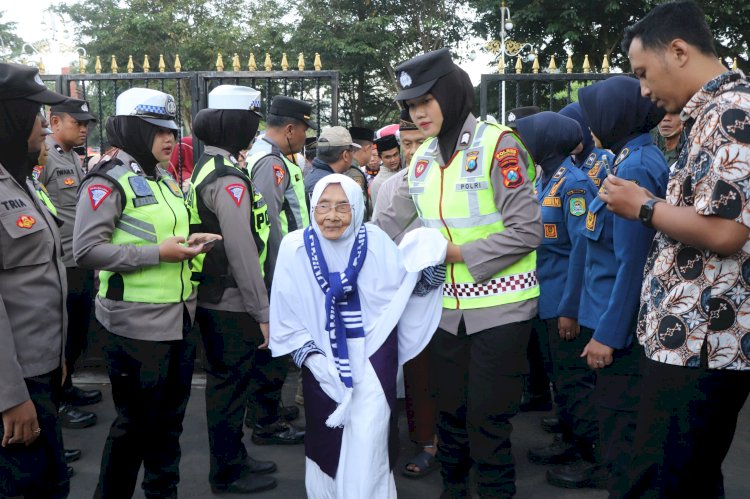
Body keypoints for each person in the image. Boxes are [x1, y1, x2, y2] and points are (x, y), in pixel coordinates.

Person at [376, 48, 542, 498]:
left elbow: (527, 231)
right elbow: (387, 223)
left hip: (502, 310)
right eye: (411, 105)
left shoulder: (498, 144)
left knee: (487, 423)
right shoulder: (424, 159)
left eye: (425, 100)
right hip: (444, 311)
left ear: (450, 93)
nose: (418, 113)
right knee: (449, 416)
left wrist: (454, 253)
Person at [601, 2, 750, 497]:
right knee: (690, 478)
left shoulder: (732, 112)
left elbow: (726, 231)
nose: (643, 90)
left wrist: (642, 206)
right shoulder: (709, 113)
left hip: (702, 341)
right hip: (687, 337)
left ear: (679, 51)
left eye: (643, 73)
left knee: (664, 480)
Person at [73, 87, 218, 498]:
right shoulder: (107, 181)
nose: (169, 138)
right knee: (133, 427)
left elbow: (164, 231)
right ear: (134, 130)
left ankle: (162, 492)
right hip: (133, 327)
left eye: (171, 130)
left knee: (170, 423)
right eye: (157, 130)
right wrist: (159, 253)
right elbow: (86, 250)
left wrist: (192, 239)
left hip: (178, 321)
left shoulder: (162, 177)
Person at [270, 173, 445, 498]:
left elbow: (404, 290)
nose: (331, 216)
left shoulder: (375, 240)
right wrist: (313, 359)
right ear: (312, 206)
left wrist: (431, 259)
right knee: (326, 439)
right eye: (323, 206)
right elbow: (286, 312)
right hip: (320, 359)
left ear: (357, 208)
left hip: (373, 355)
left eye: (342, 207)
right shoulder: (294, 247)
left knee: (370, 440)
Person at [546, 76, 668, 494]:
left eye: (596, 113)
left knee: (622, 429)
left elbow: (633, 264)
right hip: (608, 316)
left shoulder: (635, 166)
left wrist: (608, 336)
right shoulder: (626, 158)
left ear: (616, 115)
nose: (589, 124)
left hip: (619, 330)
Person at [187, 85, 278, 494]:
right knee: (228, 390)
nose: (256, 130)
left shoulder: (210, 166)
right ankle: (226, 472)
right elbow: (242, 250)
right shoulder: (227, 179)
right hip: (230, 301)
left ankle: (235, 457)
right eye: (252, 122)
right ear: (237, 124)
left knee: (231, 387)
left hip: (218, 295)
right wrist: (263, 312)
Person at [0, 62, 70, 499]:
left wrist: (57, 357)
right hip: (14, 384)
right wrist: (9, 396)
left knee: (51, 484)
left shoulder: (19, 181)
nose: (46, 127)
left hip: (39, 371)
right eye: (37, 114)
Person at [514, 112, 600, 469]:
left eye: (527, 137)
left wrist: (571, 308)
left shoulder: (574, 184)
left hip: (565, 298)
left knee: (575, 381)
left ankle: (591, 456)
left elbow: (583, 249)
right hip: (546, 296)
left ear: (545, 141)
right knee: (559, 378)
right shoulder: (547, 179)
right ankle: (569, 436)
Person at [245, 95, 314, 445]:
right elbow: (269, 223)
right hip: (276, 269)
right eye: (303, 130)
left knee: (273, 346)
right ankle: (265, 420)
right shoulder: (270, 162)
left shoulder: (269, 156)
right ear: (290, 129)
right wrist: (278, 275)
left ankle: (265, 408)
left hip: (279, 265)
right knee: (272, 348)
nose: (305, 138)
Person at [37, 97, 101, 432]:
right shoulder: (43, 155)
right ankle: (55, 402)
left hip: (79, 260)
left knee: (76, 333)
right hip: (60, 263)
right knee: (60, 337)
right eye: (78, 123)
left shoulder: (72, 157)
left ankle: (67, 386)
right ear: (55, 120)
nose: (84, 129)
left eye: (87, 124)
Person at [559, 102, 615, 188]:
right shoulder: (566, 164)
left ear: (586, 126)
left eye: (575, 129)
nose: (569, 137)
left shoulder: (606, 161)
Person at [304, 126, 361, 204]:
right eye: (352, 151)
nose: (353, 155)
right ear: (345, 155)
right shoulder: (331, 186)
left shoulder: (312, 176)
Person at [369, 134, 401, 210]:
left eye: (395, 155)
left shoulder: (405, 170)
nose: (393, 160)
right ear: (380, 158)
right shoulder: (378, 182)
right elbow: (379, 213)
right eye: (388, 157)